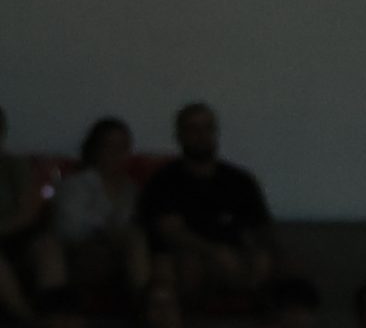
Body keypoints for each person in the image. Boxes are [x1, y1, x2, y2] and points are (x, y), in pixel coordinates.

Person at [138, 102, 274, 304]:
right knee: (189, 265)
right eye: (193, 129)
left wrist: (256, 252)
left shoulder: (240, 181)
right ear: (179, 136)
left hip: (236, 257)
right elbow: (169, 231)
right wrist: (215, 252)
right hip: (187, 258)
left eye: (207, 128)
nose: (202, 136)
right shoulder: (164, 181)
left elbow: (259, 227)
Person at [32, 116, 151, 304]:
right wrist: (106, 232)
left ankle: (145, 303)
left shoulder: (131, 190)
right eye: (109, 146)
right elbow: (68, 228)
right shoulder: (76, 185)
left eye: (123, 147)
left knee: (136, 239)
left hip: (116, 256)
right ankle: (57, 309)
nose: (117, 153)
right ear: (95, 149)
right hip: (77, 252)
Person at [0, 105, 46, 322]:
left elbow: (28, 212)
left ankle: (56, 314)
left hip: (15, 234)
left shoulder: (14, 166)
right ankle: (28, 319)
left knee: (47, 247)